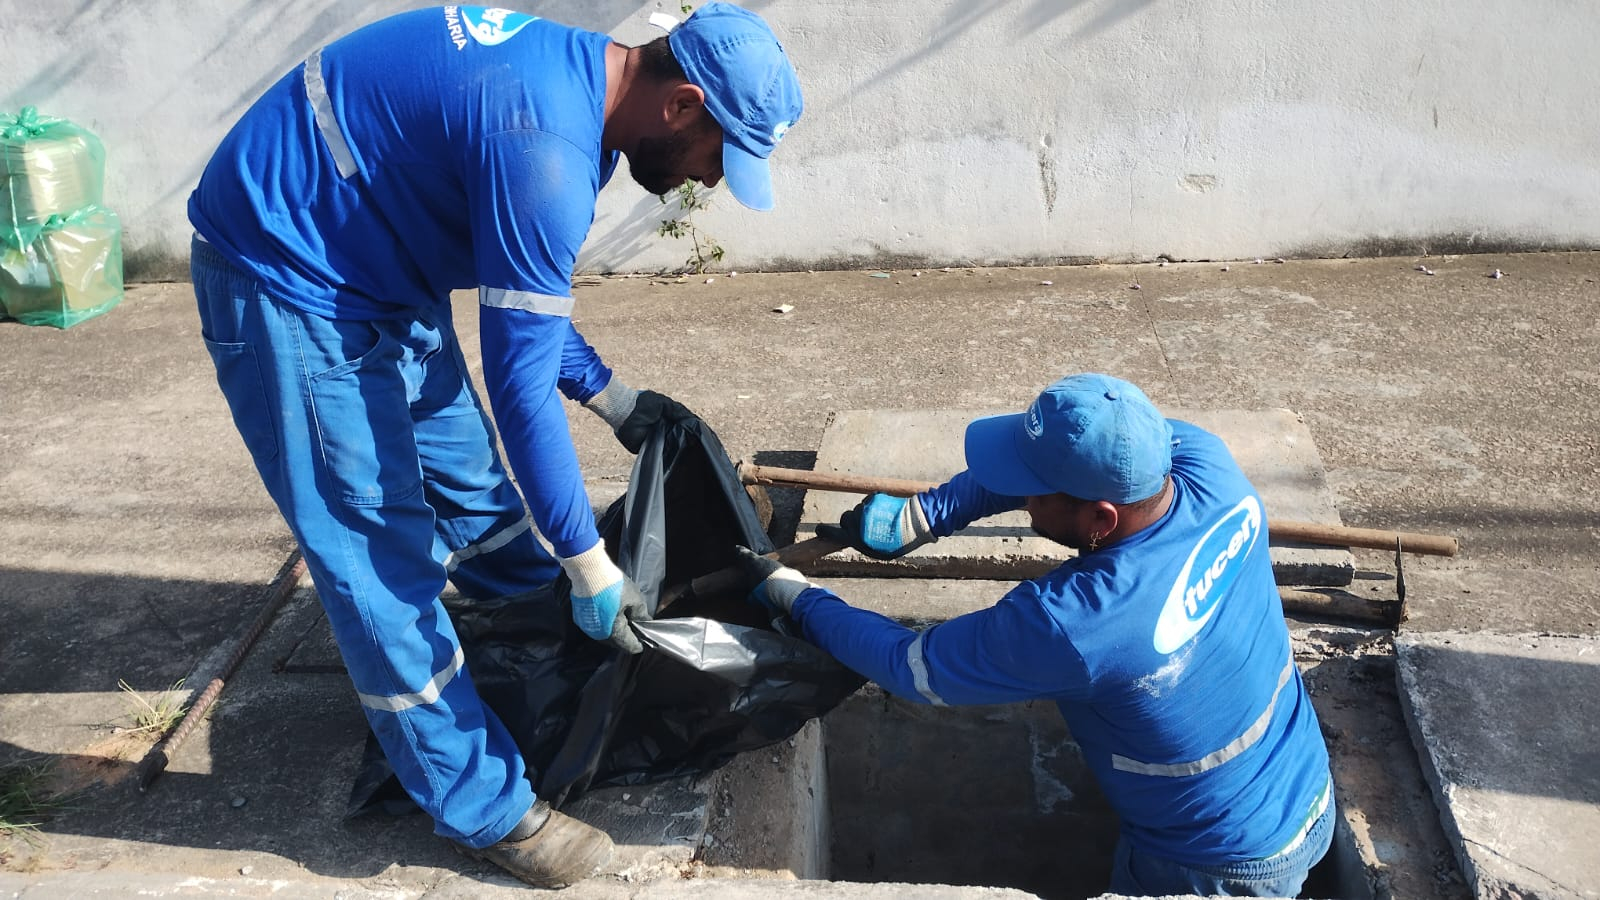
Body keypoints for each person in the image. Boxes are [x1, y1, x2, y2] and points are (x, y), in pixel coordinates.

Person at [188, 3, 801, 888]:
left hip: (379, 264)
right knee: (376, 552)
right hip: (292, 279)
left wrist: (615, 398)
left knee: (473, 492)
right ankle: (482, 808)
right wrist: (588, 560)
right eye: (720, 155)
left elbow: (528, 299)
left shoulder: (579, 94)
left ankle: (526, 649)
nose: (710, 182)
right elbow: (517, 389)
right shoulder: (544, 146)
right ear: (682, 104)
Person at [733, 373, 1334, 897]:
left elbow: (913, 668)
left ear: (1100, 520)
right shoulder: (1203, 463)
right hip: (1306, 790)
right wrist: (929, 513)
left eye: (1032, 492)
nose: (1021, 497)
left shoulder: (1077, 621)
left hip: (1209, 870)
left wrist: (800, 598)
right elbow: (1067, 471)